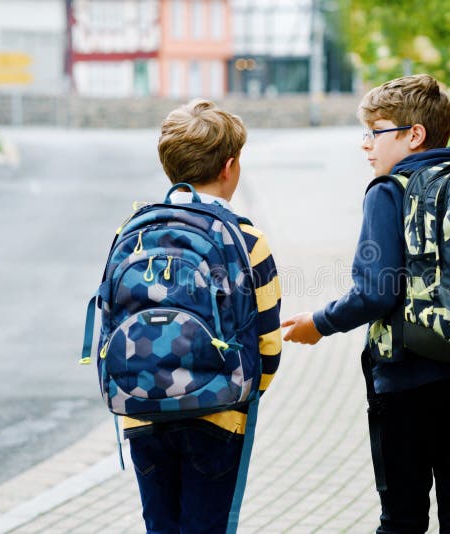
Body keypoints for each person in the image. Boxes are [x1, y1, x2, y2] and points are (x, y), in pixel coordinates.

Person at [282, 74, 450, 533]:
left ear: (413, 135)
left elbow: (376, 292)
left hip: (407, 381)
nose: (366, 145)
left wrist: (318, 323)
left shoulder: (390, 191)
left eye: (376, 131)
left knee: (401, 520)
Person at [125, 99, 282, 533]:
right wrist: (245, 393)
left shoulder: (133, 233)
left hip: (142, 407)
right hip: (218, 413)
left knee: (160, 525)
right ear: (230, 166)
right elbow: (268, 343)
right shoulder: (248, 239)